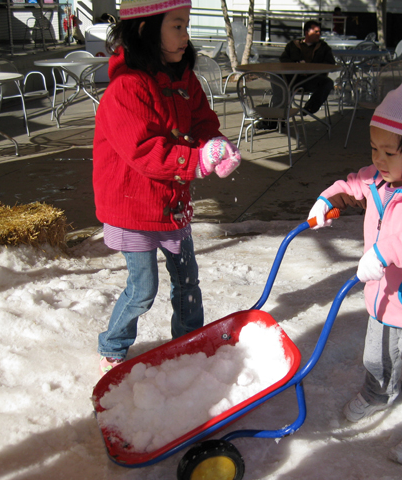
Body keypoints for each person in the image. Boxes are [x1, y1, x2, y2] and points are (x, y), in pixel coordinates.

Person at [307, 64, 402, 466]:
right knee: (377, 356)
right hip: (382, 295)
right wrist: (330, 199)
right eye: (373, 149)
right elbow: (354, 185)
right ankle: (378, 392)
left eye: (388, 152)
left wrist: (383, 251)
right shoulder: (382, 178)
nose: (377, 160)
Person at [93, 0, 241, 375]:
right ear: (145, 29)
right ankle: (113, 344)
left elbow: (202, 119)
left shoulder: (182, 78)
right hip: (132, 207)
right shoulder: (126, 89)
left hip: (170, 202)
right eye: (177, 26)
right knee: (143, 288)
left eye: (185, 25)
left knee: (187, 278)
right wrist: (196, 161)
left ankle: (188, 340)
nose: (185, 35)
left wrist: (216, 145)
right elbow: (143, 150)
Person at [278, 19, 335, 115]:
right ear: (306, 33)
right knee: (278, 81)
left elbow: (330, 63)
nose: (318, 34)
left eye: (319, 32)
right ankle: (279, 116)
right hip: (293, 79)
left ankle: (309, 108)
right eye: (316, 32)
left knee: (328, 83)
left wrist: (312, 69)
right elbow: (283, 60)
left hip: (313, 78)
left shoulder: (323, 47)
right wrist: (296, 65)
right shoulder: (293, 45)